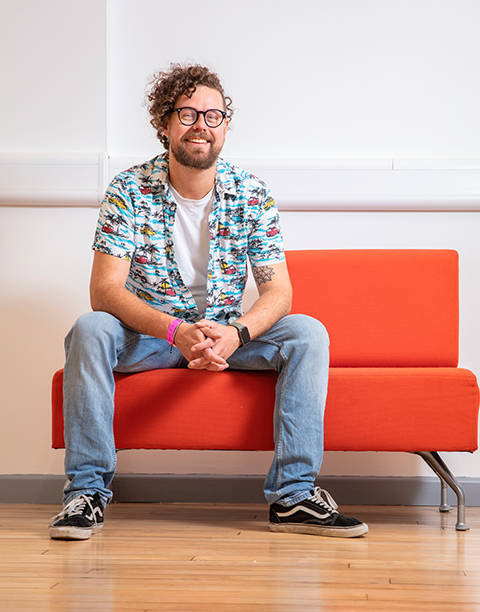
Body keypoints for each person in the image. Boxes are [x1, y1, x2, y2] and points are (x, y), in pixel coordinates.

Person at [49, 63, 368, 541]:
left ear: (224, 127)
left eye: (213, 115)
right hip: (151, 336)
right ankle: (86, 494)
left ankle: (294, 497)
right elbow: (106, 291)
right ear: (164, 123)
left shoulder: (251, 193)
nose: (201, 125)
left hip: (226, 335)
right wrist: (175, 331)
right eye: (188, 113)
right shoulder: (128, 190)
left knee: (307, 332)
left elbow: (278, 290)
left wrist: (236, 333)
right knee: (91, 327)